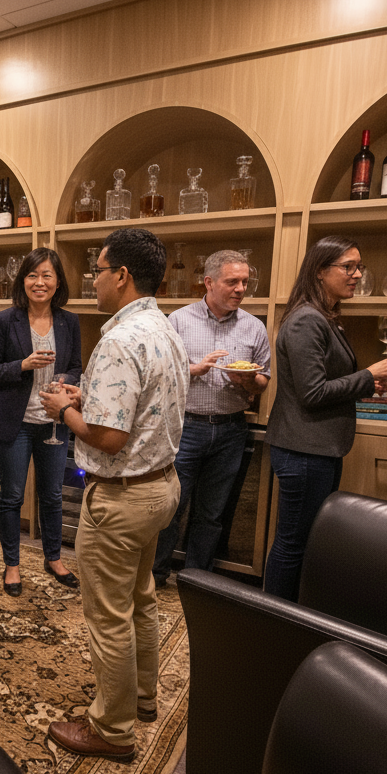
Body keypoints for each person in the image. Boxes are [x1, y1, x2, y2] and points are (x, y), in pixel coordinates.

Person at [39, 227, 188, 762]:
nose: (92, 281)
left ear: (121, 275)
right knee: (140, 597)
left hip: (123, 498)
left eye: (97, 271)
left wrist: (65, 410)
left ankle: (113, 729)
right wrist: (89, 400)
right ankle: (143, 698)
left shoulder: (120, 339)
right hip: (161, 486)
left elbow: (108, 436)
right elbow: (139, 406)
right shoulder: (165, 327)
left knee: (108, 616)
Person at [264, 236, 387, 602]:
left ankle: (290, 613)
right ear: (321, 271)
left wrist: (372, 383)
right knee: (292, 545)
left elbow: (329, 383)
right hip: (303, 449)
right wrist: (368, 375)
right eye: (348, 267)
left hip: (317, 449)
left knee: (304, 541)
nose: (357, 275)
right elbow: (312, 393)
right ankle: (273, 618)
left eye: (360, 267)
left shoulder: (325, 316)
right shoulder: (306, 321)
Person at [152, 250, 270, 587]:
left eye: (245, 282)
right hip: (186, 426)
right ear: (209, 282)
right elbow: (162, 375)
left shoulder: (254, 327)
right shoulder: (178, 321)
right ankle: (156, 574)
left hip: (232, 430)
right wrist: (195, 369)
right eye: (232, 281)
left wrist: (248, 379)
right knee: (171, 505)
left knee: (212, 513)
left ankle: (196, 580)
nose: (240, 289)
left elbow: (264, 380)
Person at [0, 248, 82, 596]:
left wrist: (67, 378)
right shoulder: (5, 320)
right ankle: (12, 564)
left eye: (47, 275)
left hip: (55, 422)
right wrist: (22, 365)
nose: (39, 282)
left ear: (57, 282)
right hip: (15, 424)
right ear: (23, 281)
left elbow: (77, 367)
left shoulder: (69, 321)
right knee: (11, 496)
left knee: (52, 495)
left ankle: (53, 557)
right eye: (32, 275)